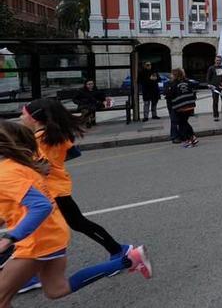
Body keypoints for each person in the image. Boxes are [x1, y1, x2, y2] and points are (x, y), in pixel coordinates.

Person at [0, 121, 152, 304]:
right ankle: (130, 260)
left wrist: (10, 237)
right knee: (56, 289)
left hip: (37, 242)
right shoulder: (16, 166)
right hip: (51, 235)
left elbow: (41, 206)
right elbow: (13, 207)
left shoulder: (7, 173)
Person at [167, 68, 198, 147]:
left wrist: (167, 91)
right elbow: (195, 87)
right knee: (184, 122)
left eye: (172, 74)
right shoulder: (187, 82)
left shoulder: (173, 84)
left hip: (180, 107)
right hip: (189, 106)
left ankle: (188, 140)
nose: (170, 76)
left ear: (175, 75)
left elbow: (169, 95)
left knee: (182, 123)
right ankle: (192, 137)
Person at [206, 56, 222, 121]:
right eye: (217, 60)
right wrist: (209, 84)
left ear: (221, 61)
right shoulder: (211, 68)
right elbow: (208, 77)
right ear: (215, 60)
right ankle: (216, 116)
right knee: (215, 102)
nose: (218, 61)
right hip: (215, 88)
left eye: (219, 60)